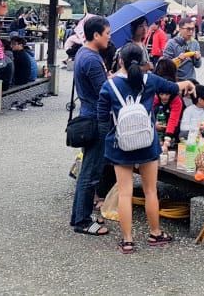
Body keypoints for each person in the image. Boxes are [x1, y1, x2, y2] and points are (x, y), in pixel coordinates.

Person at [96, 43, 195, 254]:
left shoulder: (109, 86)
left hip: (120, 144)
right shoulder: (150, 80)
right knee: (151, 190)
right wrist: (188, 82)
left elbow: (102, 120)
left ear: (120, 61)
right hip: (147, 141)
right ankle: (155, 232)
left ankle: (128, 240)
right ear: (142, 62)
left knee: (125, 193)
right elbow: (175, 88)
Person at [69, 15, 113, 237]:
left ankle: (79, 216)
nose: (109, 37)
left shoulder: (84, 53)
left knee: (88, 168)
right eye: (107, 33)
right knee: (91, 172)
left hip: (89, 114)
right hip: (96, 119)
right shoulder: (92, 59)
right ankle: (83, 221)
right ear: (95, 35)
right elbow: (104, 93)